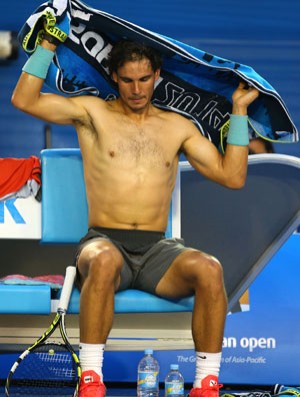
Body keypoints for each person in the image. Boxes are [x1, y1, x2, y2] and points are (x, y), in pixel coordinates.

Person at [12, 33, 259, 397]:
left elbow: (233, 176)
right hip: (103, 243)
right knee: (106, 258)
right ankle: (92, 380)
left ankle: (206, 382)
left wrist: (239, 111)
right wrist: (47, 45)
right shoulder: (91, 112)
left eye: (144, 79)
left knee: (210, 268)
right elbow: (24, 99)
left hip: (158, 251)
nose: (137, 89)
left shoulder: (177, 126)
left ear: (157, 75)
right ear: (115, 77)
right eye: (127, 80)